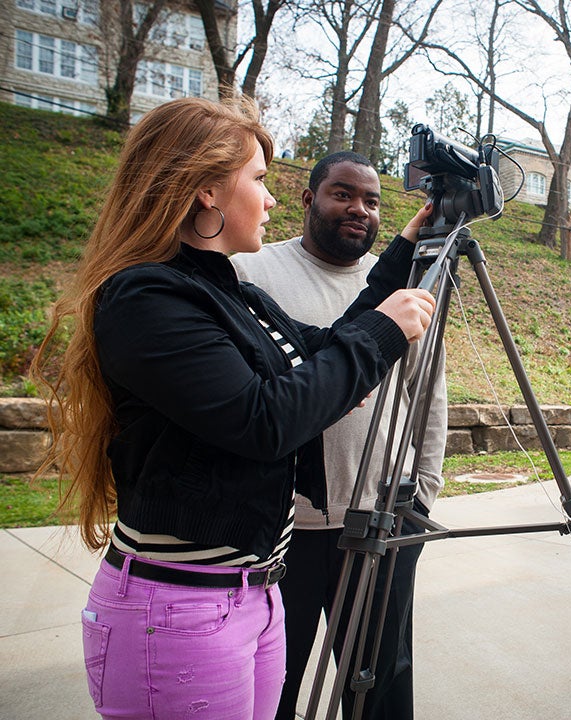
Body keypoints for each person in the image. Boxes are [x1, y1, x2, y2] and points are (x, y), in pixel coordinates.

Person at [29, 97, 436, 720]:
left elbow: (324, 346)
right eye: (260, 180)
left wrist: (404, 251)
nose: (271, 199)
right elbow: (265, 420)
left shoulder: (226, 290)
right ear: (207, 193)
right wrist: (383, 334)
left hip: (253, 594)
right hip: (180, 611)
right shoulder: (146, 296)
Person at [231, 151, 447, 720]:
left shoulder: (402, 287)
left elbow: (428, 393)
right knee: (273, 677)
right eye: (343, 194)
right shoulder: (251, 273)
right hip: (286, 527)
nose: (359, 209)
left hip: (384, 516)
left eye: (372, 201)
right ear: (308, 199)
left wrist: (423, 488)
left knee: (382, 679)